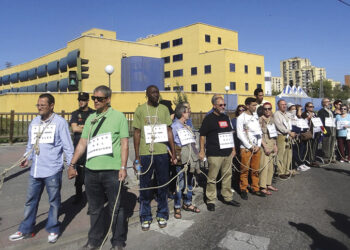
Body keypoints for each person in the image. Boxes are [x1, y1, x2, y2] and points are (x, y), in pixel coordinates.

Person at [68, 86, 129, 250]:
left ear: (108, 99)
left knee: (115, 208)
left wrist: (123, 167)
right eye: (93, 98)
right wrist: (72, 163)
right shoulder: (90, 119)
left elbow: (124, 144)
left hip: (112, 171)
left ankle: (118, 241)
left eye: (99, 98)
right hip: (91, 171)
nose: (95, 101)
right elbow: (82, 143)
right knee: (94, 209)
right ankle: (94, 241)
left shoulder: (119, 117)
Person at [9, 93, 74, 244]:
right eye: (38, 105)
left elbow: (68, 147)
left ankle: (53, 229)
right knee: (30, 201)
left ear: (52, 106)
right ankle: (26, 229)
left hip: (52, 169)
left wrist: (71, 166)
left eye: (42, 105)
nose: (39, 108)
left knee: (54, 201)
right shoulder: (34, 122)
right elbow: (30, 146)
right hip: (35, 170)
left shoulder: (60, 123)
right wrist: (26, 157)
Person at [133, 85, 177, 231]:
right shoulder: (140, 110)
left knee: (163, 185)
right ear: (147, 94)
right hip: (146, 154)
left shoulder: (164, 109)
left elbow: (169, 131)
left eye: (157, 92)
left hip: (161, 153)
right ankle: (145, 216)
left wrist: (173, 151)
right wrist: (137, 157)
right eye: (153, 92)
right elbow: (137, 133)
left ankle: (162, 213)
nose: (156, 94)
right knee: (145, 187)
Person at [199, 96, 240, 211]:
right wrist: (202, 150)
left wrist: (233, 148)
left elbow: (230, 133)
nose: (223, 107)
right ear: (214, 106)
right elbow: (202, 135)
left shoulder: (226, 118)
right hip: (214, 153)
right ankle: (211, 200)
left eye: (224, 105)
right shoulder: (208, 119)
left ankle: (227, 197)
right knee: (212, 177)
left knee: (227, 176)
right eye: (220, 105)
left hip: (227, 152)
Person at [171, 103, 200, 219]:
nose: (189, 113)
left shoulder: (187, 126)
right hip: (181, 157)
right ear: (183, 113)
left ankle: (188, 203)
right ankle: (177, 205)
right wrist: (172, 156)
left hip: (191, 157)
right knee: (181, 182)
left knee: (190, 180)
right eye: (188, 111)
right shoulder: (174, 127)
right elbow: (170, 144)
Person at [237, 97, 265, 199]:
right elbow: (240, 134)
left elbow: (259, 132)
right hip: (245, 147)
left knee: (255, 169)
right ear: (247, 106)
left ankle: (255, 187)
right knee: (244, 169)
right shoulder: (241, 118)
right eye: (253, 105)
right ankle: (243, 188)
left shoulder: (255, 116)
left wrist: (258, 145)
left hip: (256, 147)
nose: (255, 107)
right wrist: (249, 146)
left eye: (255, 105)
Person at [69, 92, 95, 204]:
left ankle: (92, 197)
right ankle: (78, 196)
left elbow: (96, 128)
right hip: (78, 146)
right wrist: (88, 127)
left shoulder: (93, 113)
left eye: (83, 100)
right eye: (79, 100)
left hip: (92, 146)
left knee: (91, 173)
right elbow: (74, 129)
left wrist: (82, 127)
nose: (81, 102)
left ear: (88, 101)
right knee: (78, 172)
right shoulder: (75, 113)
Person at [259, 102, 278, 195]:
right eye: (265, 109)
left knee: (271, 166)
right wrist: (265, 147)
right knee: (264, 166)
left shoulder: (272, 120)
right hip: (264, 145)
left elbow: (274, 134)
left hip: (271, 143)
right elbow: (259, 135)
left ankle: (268, 183)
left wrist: (275, 145)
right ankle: (262, 186)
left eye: (269, 108)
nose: (267, 111)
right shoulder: (260, 120)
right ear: (263, 110)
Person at [274, 99, 296, 179]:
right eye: (282, 104)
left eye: (285, 104)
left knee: (288, 154)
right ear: (278, 105)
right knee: (281, 154)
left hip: (289, 136)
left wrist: (292, 132)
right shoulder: (276, 114)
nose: (284, 106)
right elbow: (279, 126)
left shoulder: (287, 114)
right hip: (281, 136)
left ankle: (287, 170)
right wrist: (289, 132)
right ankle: (280, 171)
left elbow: (291, 123)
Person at [301, 102, 321, 167]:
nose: (311, 108)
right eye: (310, 106)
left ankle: (313, 159)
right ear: (306, 107)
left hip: (317, 132)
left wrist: (323, 130)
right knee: (309, 146)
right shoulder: (304, 114)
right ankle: (309, 160)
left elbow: (319, 122)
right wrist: (308, 118)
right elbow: (304, 122)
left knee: (315, 146)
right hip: (309, 133)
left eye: (312, 106)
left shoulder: (315, 114)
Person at [318, 98, 337, 163]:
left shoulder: (331, 111)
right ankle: (326, 157)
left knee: (332, 143)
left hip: (332, 129)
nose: (329, 103)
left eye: (329, 101)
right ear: (323, 103)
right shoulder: (321, 111)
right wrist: (324, 131)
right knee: (326, 144)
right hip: (326, 129)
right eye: (327, 102)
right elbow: (320, 122)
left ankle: (331, 157)